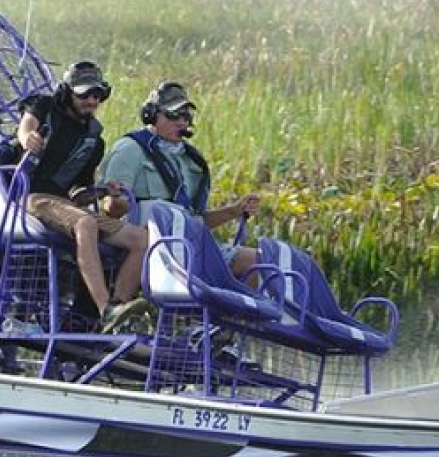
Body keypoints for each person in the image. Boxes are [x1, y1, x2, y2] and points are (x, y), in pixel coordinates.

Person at [16, 61, 147, 325]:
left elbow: (79, 193)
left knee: (142, 239)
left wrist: (101, 191)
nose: (91, 100)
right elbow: (26, 127)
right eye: (84, 94)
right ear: (67, 92)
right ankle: (104, 309)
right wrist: (28, 137)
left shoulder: (93, 140)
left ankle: (117, 310)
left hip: (65, 204)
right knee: (85, 223)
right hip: (32, 196)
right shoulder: (44, 107)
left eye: (97, 95)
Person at [100, 81, 262, 279]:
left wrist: (235, 211)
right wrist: (117, 201)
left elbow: (194, 221)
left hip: (189, 246)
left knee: (260, 263)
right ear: (151, 115)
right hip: (151, 247)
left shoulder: (191, 161)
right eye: (173, 115)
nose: (182, 122)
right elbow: (110, 211)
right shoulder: (130, 149)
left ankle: (237, 310)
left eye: (186, 116)